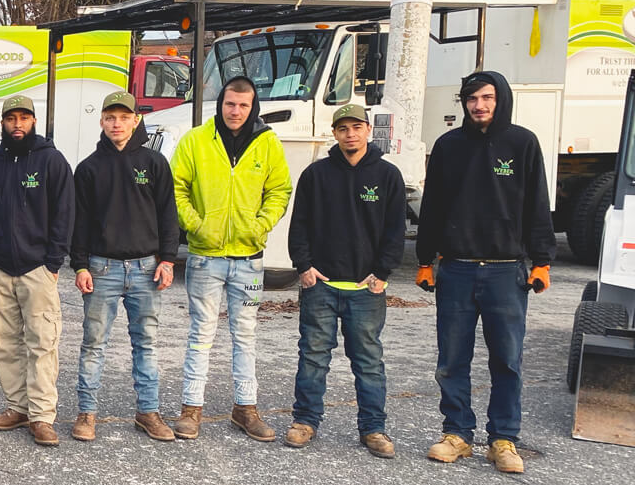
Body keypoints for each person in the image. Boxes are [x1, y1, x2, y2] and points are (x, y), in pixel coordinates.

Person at [416, 70, 552, 474]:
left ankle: (503, 439)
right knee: (452, 359)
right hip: (455, 269)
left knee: (507, 360)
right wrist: (426, 260)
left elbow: (538, 205)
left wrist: (542, 260)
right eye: (472, 98)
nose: (480, 105)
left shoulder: (522, 143)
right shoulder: (448, 146)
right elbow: (433, 207)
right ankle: (457, 434)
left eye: (487, 97)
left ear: (501, 99)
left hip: (505, 272)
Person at [170, 76, 292, 442]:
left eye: (243, 105)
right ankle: (191, 410)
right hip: (206, 258)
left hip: (249, 261)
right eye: (229, 104)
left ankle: (246, 409)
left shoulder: (267, 143)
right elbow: (176, 188)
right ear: (220, 104)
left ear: (252, 107)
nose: (235, 111)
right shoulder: (195, 141)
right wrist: (197, 226)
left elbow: (280, 189)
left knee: (246, 336)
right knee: (200, 335)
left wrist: (262, 225)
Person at [284, 104, 405, 459]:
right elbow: (300, 226)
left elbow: (396, 231)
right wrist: (303, 266)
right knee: (313, 357)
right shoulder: (316, 175)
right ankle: (305, 421)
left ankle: (373, 428)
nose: (350, 134)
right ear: (334, 133)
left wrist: (382, 273)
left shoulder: (387, 176)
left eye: (357, 127)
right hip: (321, 285)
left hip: (365, 289)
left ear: (368, 130)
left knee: (368, 361)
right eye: (343, 128)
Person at [70, 91, 178, 444]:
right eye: (110, 117)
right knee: (93, 344)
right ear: (101, 121)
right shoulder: (88, 168)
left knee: (145, 343)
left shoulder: (155, 163)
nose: (117, 123)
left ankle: (148, 412)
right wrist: (81, 265)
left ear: (136, 120)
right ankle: (87, 413)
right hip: (102, 269)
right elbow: (80, 221)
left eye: (123, 117)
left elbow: (168, 215)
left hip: (146, 268)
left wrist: (167, 259)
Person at [0, 95, 74, 447]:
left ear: (34, 121)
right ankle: (17, 408)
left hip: (37, 268)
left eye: (24, 118)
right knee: (5, 343)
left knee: (42, 342)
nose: (18, 124)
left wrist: (53, 262)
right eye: (11, 118)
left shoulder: (51, 160)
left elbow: (64, 214)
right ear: (2, 123)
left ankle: (42, 416)